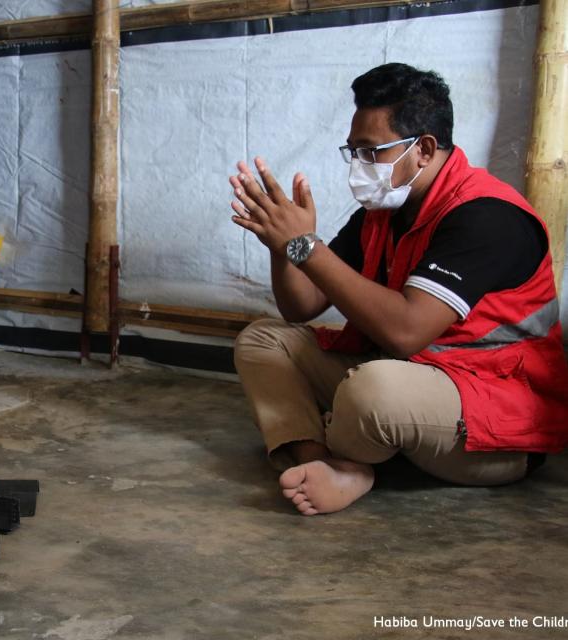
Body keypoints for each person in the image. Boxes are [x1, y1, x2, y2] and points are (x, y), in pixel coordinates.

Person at [229, 63, 568, 516]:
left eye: (370, 151)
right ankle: (322, 463)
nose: (358, 165)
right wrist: (281, 244)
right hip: (412, 381)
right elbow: (300, 306)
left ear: (424, 149)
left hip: (494, 420)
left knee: (372, 390)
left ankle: (354, 463)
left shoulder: (488, 216)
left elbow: (407, 331)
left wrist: (305, 246)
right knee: (265, 340)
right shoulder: (383, 212)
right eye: (352, 151)